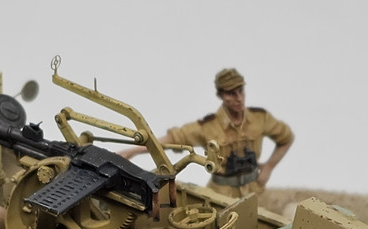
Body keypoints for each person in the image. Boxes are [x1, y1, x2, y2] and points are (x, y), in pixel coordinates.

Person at [121, 68, 294, 198]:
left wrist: (269, 167)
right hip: (221, 193)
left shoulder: (260, 118)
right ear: (221, 95)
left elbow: (286, 138)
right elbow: (171, 139)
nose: (239, 98)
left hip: (254, 190)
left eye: (241, 91)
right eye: (231, 93)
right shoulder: (208, 127)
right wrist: (132, 151)